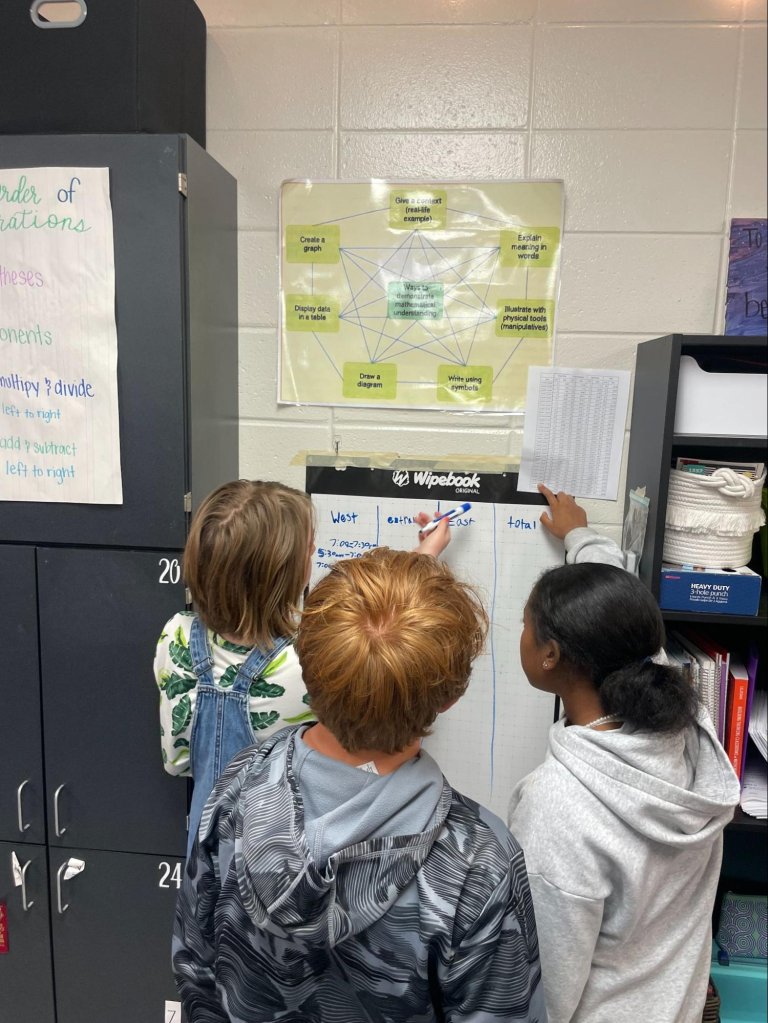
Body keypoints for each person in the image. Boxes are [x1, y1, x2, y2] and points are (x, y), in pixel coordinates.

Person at [172, 547, 546, 1023]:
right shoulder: (479, 864)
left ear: (306, 666)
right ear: (451, 698)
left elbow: (195, 968)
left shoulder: (238, 786)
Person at [155, 479, 450, 856]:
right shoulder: (304, 663)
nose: (315, 553)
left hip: (206, 851)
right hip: (279, 857)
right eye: (310, 549)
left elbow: (177, 763)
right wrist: (424, 561)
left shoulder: (176, 637)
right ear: (289, 575)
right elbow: (382, 650)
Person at [507, 553, 740, 1023]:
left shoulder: (557, 806)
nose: (522, 635)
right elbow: (624, 627)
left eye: (525, 625)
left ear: (550, 654)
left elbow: (545, 990)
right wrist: (582, 538)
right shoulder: (690, 731)